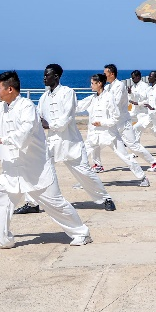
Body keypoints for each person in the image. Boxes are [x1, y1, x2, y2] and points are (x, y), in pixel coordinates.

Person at [0, 71, 92, 250]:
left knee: (55, 203)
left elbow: (27, 130)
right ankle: (2, 240)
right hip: (12, 169)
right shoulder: (0, 108)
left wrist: (4, 139)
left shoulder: (27, 106)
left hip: (36, 169)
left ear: (10, 89)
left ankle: (81, 233)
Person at [38, 64, 115, 211]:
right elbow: (39, 116)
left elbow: (66, 118)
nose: (44, 78)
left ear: (56, 76)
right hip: (52, 142)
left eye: (47, 75)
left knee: (84, 173)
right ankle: (32, 203)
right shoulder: (43, 98)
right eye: (44, 75)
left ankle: (105, 198)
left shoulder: (68, 93)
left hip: (70, 142)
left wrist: (49, 125)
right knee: (40, 170)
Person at [78, 73, 151, 187]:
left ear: (99, 83)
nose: (90, 85)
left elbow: (116, 117)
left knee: (125, 156)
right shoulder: (92, 98)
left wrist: (102, 123)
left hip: (110, 134)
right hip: (94, 135)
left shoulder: (109, 97)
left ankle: (142, 177)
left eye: (92, 83)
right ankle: (85, 181)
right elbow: (78, 106)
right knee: (81, 156)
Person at [103, 66, 156, 172]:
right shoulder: (108, 87)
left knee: (133, 145)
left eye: (105, 73)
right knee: (97, 142)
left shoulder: (119, 86)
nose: (104, 75)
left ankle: (154, 162)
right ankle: (97, 164)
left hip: (123, 122)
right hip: (113, 122)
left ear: (112, 74)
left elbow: (116, 103)